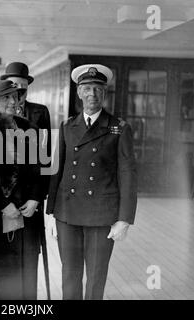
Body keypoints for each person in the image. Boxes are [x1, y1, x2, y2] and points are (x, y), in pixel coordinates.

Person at [46, 64, 137, 300]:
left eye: (98, 89)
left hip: (101, 214)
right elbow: (58, 171)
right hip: (68, 213)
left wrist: (124, 219)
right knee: (69, 275)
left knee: (96, 277)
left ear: (105, 93)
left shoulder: (118, 128)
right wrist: (52, 214)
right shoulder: (67, 126)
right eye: (87, 88)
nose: (92, 95)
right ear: (78, 92)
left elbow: (127, 174)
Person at [0, 80, 42, 300]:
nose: (11, 101)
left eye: (14, 96)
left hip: (27, 211)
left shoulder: (28, 128)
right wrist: (2, 203)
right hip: (0, 212)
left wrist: (35, 198)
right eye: (5, 97)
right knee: (0, 272)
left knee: (26, 272)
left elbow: (38, 168)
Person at [0, 62, 52, 296]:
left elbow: (46, 159)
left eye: (22, 88)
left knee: (30, 257)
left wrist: (37, 198)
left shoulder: (40, 113)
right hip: (6, 202)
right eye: (13, 88)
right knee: (5, 260)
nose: (17, 94)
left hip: (30, 201)